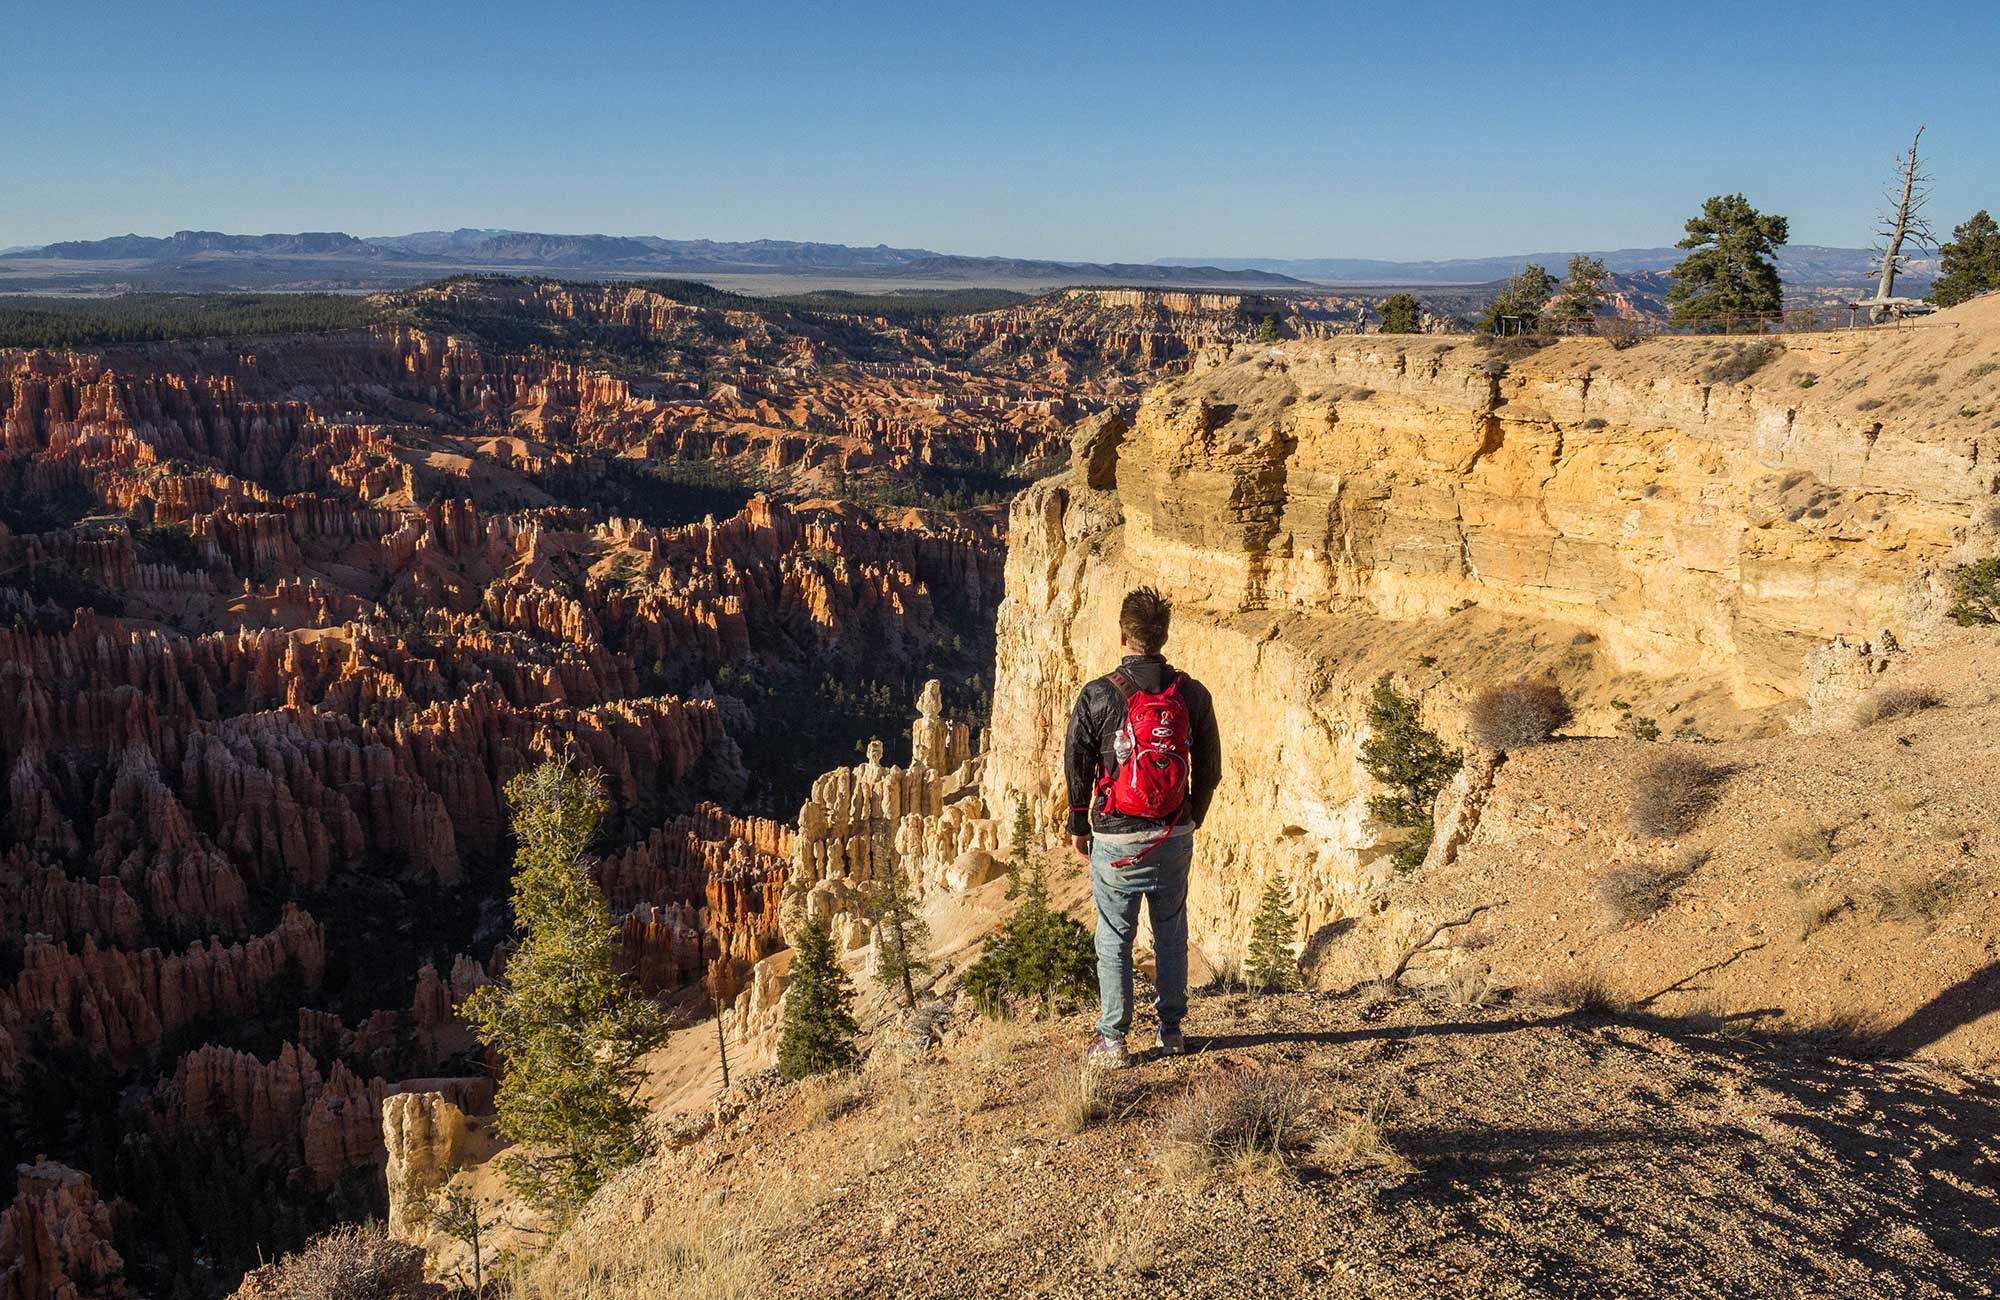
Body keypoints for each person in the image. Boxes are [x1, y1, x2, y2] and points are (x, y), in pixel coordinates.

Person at [1064, 587, 1221, 1069]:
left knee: (1115, 934)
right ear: (1164, 636)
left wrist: (1078, 822)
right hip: (1174, 833)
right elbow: (1210, 768)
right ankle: (1171, 1031)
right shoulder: (1192, 694)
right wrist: (1187, 817)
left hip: (1116, 836)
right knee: (1171, 930)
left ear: (1123, 636)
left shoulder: (1098, 693)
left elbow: (1077, 761)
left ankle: (1113, 1041)